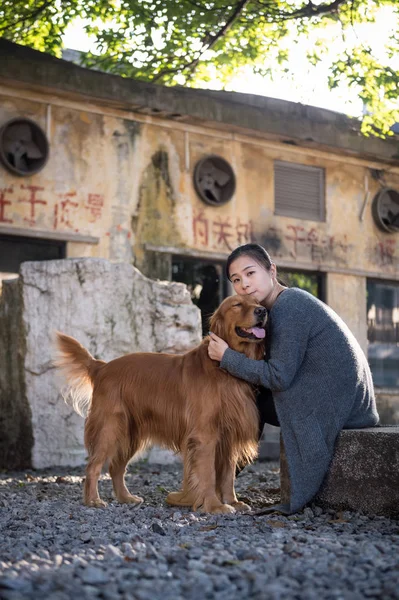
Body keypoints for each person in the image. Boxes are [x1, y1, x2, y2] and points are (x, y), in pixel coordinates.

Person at [208, 243, 379, 514]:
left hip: (340, 406)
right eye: (237, 280)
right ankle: (220, 484)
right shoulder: (279, 307)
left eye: (250, 273)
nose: (245, 285)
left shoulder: (291, 307)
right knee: (246, 392)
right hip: (342, 399)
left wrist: (227, 357)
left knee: (246, 399)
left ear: (271, 270)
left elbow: (278, 377)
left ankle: (217, 484)